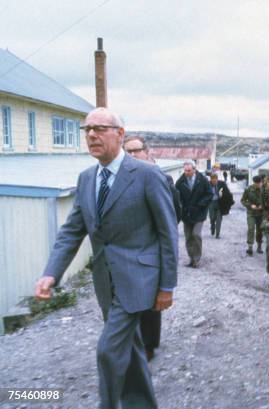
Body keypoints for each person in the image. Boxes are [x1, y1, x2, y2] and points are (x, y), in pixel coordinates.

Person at [35, 107, 178, 409]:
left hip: (139, 279)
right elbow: (73, 231)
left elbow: (168, 234)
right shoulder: (87, 178)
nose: (91, 135)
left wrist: (167, 286)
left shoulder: (147, 176)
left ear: (120, 134)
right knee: (132, 349)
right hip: (106, 282)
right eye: (86, 129)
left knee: (108, 352)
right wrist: (51, 273)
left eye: (99, 128)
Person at [123, 135, 181, 362]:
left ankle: (148, 344)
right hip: (127, 249)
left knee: (150, 301)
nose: (133, 155)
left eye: (136, 150)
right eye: (128, 151)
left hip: (153, 248)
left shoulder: (162, 178)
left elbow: (174, 213)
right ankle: (130, 341)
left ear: (147, 153)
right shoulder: (120, 179)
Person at [175, 160, 213, 268]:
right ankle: (191, 259)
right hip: (186, 214)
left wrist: (201, 204)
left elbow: (209, 194)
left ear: (194, 170)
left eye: (189, 170)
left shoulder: (202, 180)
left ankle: (196, 258)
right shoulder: (180, 181)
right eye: (185, 170)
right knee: (188, 237)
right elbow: (177, 196)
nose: (186, 172)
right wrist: (181, 206)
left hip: (199, 213)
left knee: (196, 234)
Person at [241, 175, 265, 255]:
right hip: (251, 213)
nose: (257, 184)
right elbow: (243, 200)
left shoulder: (264, 190)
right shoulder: (248, 189)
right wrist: (250, 205)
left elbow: (267, 200)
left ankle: (259, 246)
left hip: (261, 213)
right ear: (254, 182)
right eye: (256, 183)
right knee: (251, 228)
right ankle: (250, 247)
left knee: (260, 230)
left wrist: (263, 205)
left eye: (259, 183)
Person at [208, 173, 233, 239]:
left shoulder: (221, 184)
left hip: (219, 203)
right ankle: (212, 225)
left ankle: (217, 234)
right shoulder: (207, 185)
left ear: (217, 179)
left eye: (215, 179)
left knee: (219, 218)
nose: (214, 181)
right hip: (211, 203)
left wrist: (222, 194)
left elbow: (228, 192)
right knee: (212, 217)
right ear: (211, 180)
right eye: (213, 180)